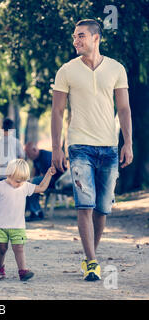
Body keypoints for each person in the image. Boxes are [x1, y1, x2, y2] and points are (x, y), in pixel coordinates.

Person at [51, 19, 133, 281]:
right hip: (79, 147)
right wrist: (57, 148)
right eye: (74, 37)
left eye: (81, 36)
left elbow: (123, 109)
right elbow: (58, 111)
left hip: (109, 147)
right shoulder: (66, 70)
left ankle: (90, 258)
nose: (76, 41)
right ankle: (92, 261)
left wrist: (127, 142)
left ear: (96, 38)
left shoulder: (116, 68)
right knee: (84, 206)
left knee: (101, 209)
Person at [0, 159, 56, 281]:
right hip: (1, 226)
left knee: (19, 248)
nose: (19, 183)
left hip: (18, 226)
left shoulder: (25, 186)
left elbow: (41, 188)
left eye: (22, 181)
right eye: (17, 181)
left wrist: (48, 174)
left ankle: (23, 271)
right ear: (9, 174)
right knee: (2, 249)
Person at [24, 142, 64, 221]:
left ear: (34, 150)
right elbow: (35, 174)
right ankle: (33, 211)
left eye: (28, 154)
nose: (28, 156)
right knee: (28, 184)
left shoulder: (46, 156)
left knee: (33, 182)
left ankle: (36, 212)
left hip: (57, 180)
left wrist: (32, 181)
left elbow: (51, 173)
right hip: (48, 180)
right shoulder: (36, 159)